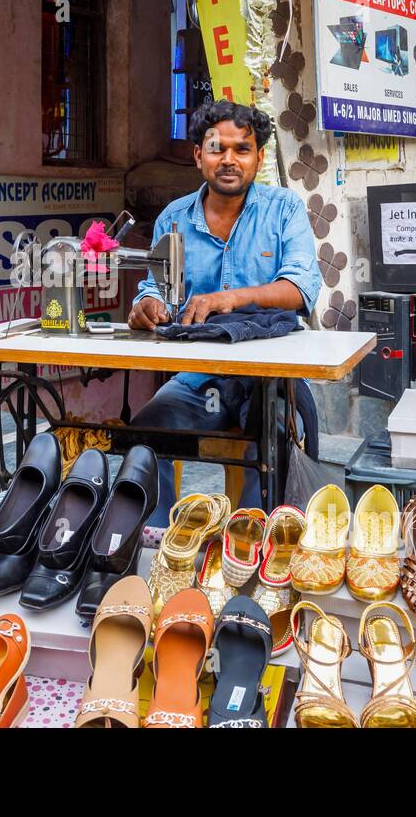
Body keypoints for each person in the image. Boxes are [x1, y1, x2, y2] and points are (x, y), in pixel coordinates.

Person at [128, 99, 322, 526]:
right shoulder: (173, 220)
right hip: (197, 380)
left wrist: (228, 298)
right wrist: (145, 306)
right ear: (199, 155)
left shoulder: (284, 209)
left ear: (259, 157)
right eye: (218, 148)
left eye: (242, 149)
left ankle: (254, 548)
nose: (230, 160)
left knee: (274, 442)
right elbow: (153, 288)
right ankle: (159, 547)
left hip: (269, 379)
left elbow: (300, 288)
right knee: (145, 433)